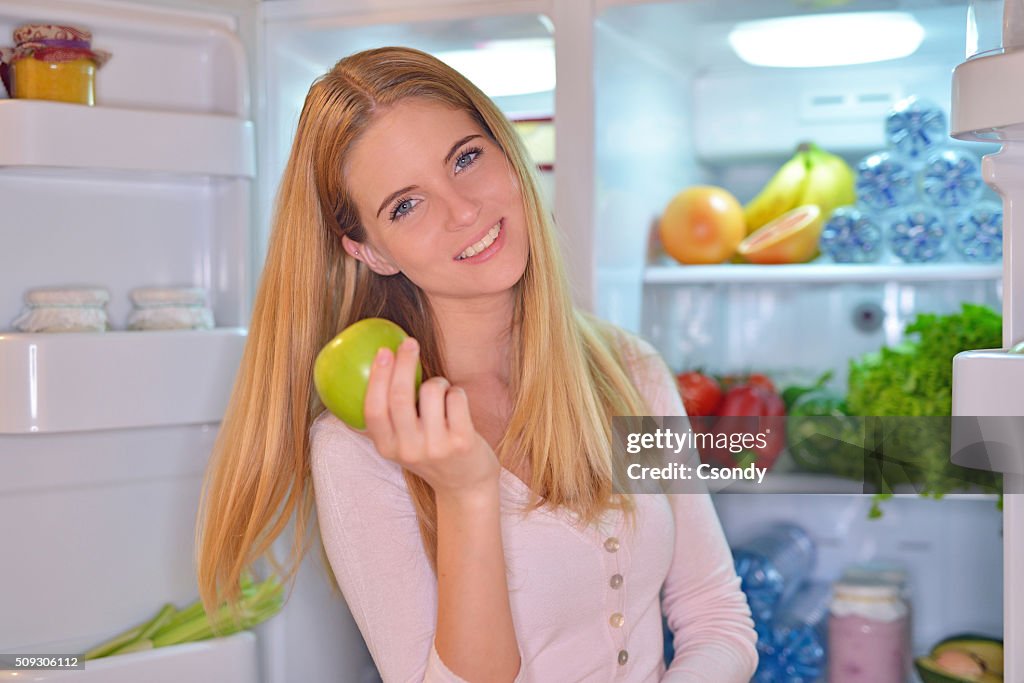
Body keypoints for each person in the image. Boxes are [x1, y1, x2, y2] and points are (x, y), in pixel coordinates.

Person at [195, 46, 757, 682]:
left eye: (466, 158)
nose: (463, 210)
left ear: (509, 152)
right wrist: (464, 493)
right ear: (370, 251)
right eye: (405, 205)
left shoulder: (629, 369)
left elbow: (716, 616)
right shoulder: (361, 447)